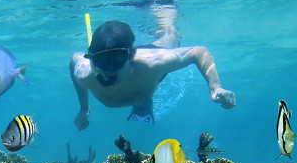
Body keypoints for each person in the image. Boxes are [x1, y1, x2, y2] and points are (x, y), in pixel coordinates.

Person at [70, 7, 236, 129]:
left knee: (170, 36)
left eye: (117, 60)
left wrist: (216, 87)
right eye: (101, 61)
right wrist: (84, 108)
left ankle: (165, 14)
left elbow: (198, 51)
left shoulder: (153, 64)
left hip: (150, 60)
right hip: (140, 79)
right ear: (92, 60)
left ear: (129, 56)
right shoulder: (85, 74)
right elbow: (74, 59)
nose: (109, 70)